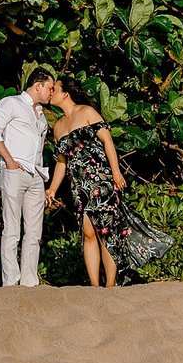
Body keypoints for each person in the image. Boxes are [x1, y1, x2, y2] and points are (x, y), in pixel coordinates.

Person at [45, 75, 173, 287]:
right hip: (79, 187)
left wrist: (116, 173)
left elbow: (108, 141)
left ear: (65, 93)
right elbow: (61, 161)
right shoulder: (57, 126)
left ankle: (110, 285)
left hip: (100, 181)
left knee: (106, 232)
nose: (51, 93)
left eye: (54, 89)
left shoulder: (86, 112)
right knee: (88, 232)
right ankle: (94, 286)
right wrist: (52, 189)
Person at [0, 66, 54, 287]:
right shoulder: (11, 103)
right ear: (38, 85)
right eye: (50, 88)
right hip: (15, 171)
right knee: (12, 228)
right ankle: (10, 282)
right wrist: (10, 162)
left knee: (34, 232)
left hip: (36, 174)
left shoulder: (42, 116)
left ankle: (29, 282)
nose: (52, 93)